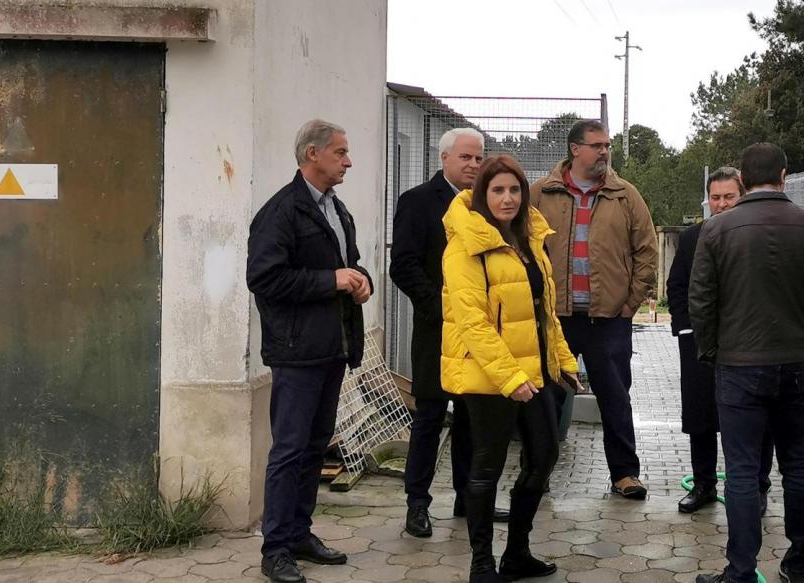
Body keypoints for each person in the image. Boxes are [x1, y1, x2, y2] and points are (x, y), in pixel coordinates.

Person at [689, 143, 804, 583]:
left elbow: (700, 300)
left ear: (742, 177)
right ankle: (799, 567)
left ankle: (739, 572)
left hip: (738, 366)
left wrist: (712, 352)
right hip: (795, 365)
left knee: (740, 469)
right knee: (797, 463)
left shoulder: (718, 231)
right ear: (784, 175)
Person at [441, 155, 583, 582]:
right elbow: (472, 323)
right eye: (498, 190)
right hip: (489, 378)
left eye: (515, 190)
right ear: (483, 195)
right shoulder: (465, 246)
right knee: (486, 466)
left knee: (544, 457)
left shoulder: (528, 237)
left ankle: (517, 554)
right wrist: (510, 378)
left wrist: (563, 360)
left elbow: (545, 314)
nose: (508, 198)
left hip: (535, 373)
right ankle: (481, 563)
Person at [247, 119, 373, 583]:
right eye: (340, 152)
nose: (348, 160)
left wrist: (360, 281)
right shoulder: (281, 212)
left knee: (314, 448)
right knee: (289, 450)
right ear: (312, 154)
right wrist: (330, 281)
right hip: (296, 353)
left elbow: (349, 265)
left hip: (331, 349)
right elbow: (263, 278)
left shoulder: (336, 210)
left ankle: (300, 533)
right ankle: (275, 548)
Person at [390, 127, 509, 538]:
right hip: (437, 332)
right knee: (429, 417)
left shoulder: (488, 206)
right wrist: (442, 308)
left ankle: (468, 499)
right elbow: (402, 265)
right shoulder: (418, 203)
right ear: (444, 158)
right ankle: (417, 504)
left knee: (472, 420)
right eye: (466, 158)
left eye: (479, 158)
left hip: (480, 334)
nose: (474, 165)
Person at [530, 120, 657, 499]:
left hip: (608, 319)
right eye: (597, 145)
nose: (604, 152)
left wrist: (629, 304)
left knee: (615, 397)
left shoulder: (625, 195)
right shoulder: (541, 193)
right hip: (557, 319)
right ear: (574, 149)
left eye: (607, 145)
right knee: (546, 397)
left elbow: (647, 252)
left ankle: (625, 475)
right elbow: (520, 246)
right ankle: (537, 474)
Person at [666, 167, 774, 516]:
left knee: (756, 419)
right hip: (700, 344)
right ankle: (704, 484)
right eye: (716, 197)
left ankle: (757, 487)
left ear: (742, 196)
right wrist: (685, 331)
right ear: (708, 200)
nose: (722, 204)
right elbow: (677, 287)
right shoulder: (692, 237)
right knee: (700, 414)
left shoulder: (760, 234)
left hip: (750, 345)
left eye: (729, 196)